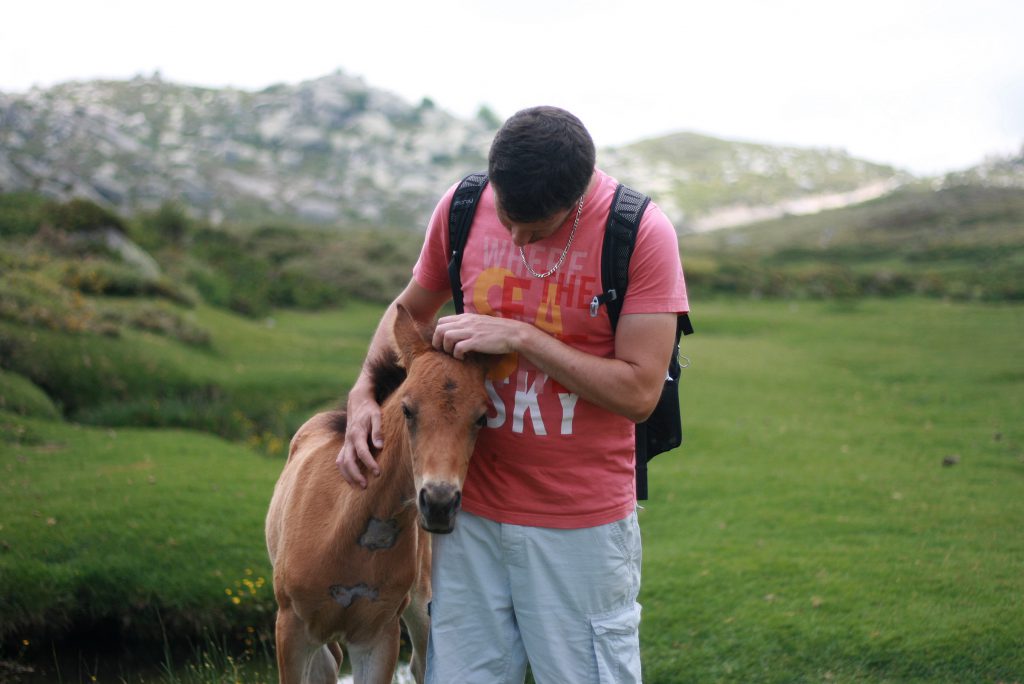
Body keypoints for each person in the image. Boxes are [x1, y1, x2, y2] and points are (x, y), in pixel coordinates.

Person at [336, 106, 688, 684]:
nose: (519, 237)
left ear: (578, 200)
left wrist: (523, 337)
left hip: (579, 523)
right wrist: (362, 394)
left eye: (539, 228)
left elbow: (639, 392)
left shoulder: (641, 233)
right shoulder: (462, 208)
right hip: (467, 516)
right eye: (509, 216)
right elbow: (411, 311)